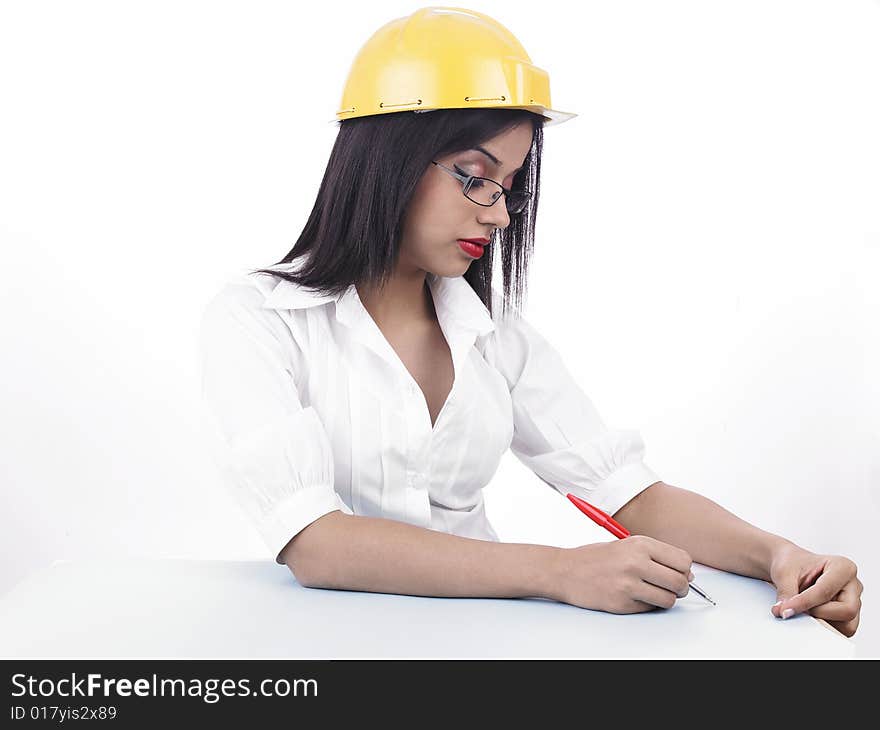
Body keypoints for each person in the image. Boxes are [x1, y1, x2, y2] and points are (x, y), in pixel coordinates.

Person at [197, 7, 862, 637]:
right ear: (387, 161)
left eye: (510, 184)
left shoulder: (495, 336)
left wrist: (779, 555)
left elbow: (627, 493)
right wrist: (560, 571)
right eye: (474, 176)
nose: (500, 214)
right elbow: (315, 543)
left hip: (487, 647)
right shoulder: (260, 320)